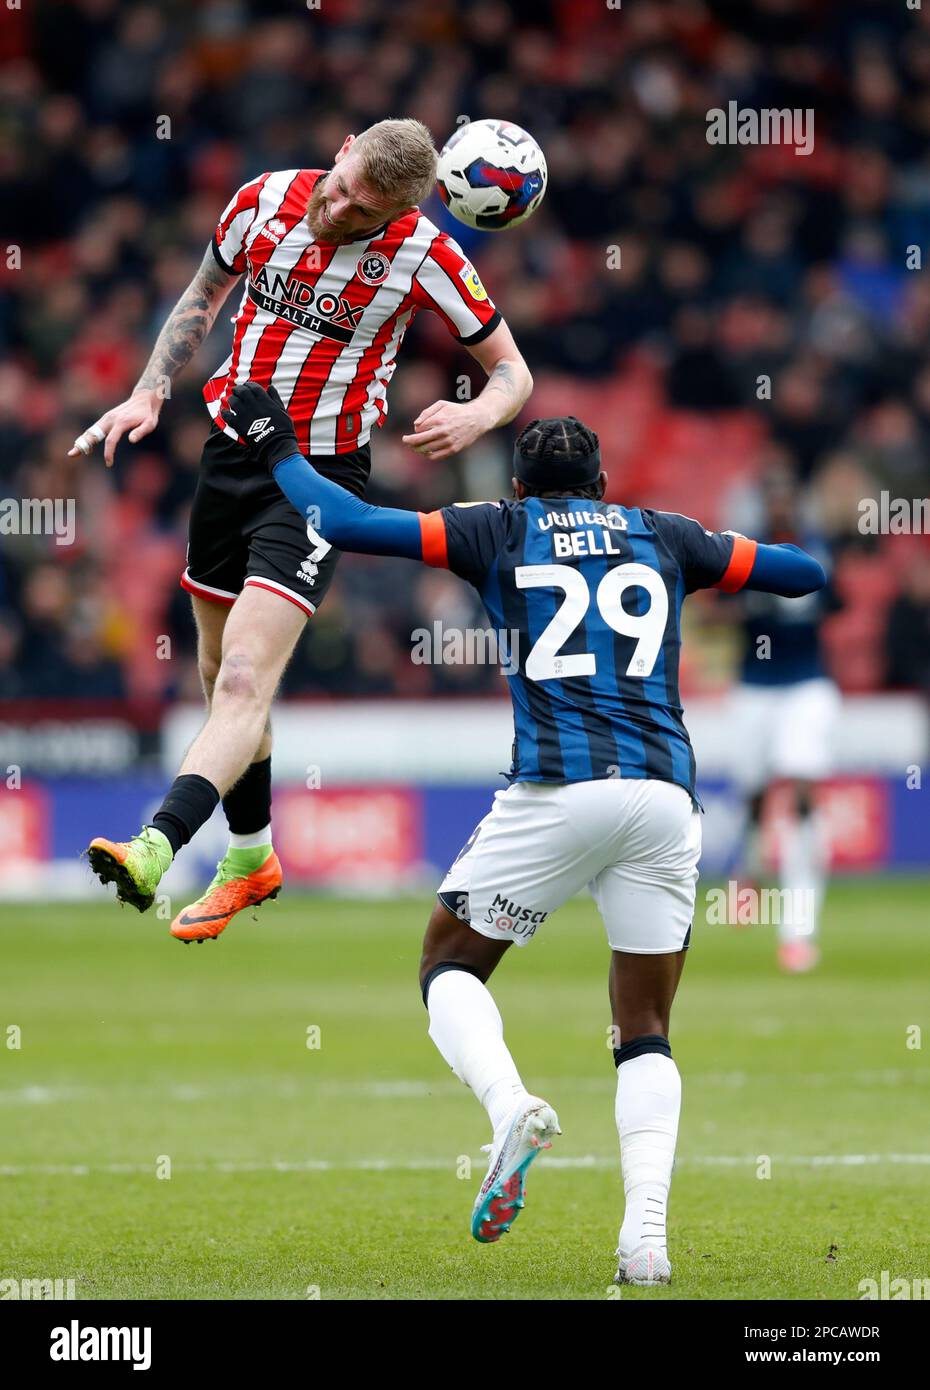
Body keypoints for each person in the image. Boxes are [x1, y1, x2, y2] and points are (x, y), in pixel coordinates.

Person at [219, 381, 827, 1286]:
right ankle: (646, 1241)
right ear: (604, 480)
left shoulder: (493, 530)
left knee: (446, 967)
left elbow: (342, 521)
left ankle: (509, 1107)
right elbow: (803, 574)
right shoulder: (663, 534)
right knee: (645, 1028)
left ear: (517, 488)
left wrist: (273, 447)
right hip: (665, 796)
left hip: (555, 790)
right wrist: (720, 561)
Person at [78, 119, 532, 939]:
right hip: (229, 457)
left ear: (398, 212)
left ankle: (155, 845)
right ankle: (253, 858)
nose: (341, 206)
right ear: (344, 147)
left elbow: (512, 369)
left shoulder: (426, 255)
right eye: (344, 183)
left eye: (365, 209)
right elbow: (204, 294)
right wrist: (151, 390)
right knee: (220, 678)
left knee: (247, 678)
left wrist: (478, 416)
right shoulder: (262, 199)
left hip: (318, 481)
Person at [725, 466, 841, 973]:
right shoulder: (750, 553)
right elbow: (720, 608)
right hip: (753, 687)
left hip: (806, 685)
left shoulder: (817, 552)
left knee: (799, 793)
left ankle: (798, 928)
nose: (780, 509)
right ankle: (750, 873)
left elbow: (836, 603)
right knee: (753, 795)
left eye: (786, 500)